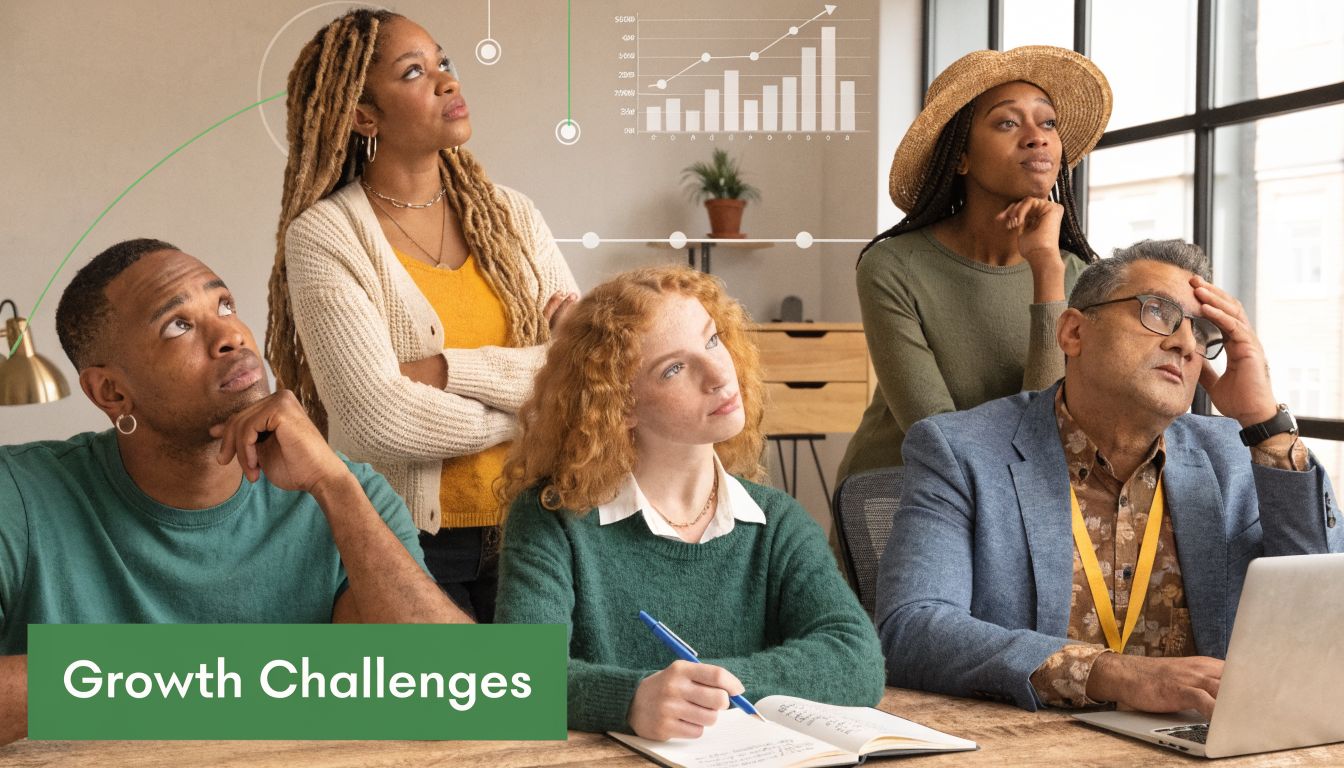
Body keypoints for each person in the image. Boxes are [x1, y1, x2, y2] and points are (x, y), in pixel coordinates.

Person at [0, 239, 470, 746]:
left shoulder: (346, 495)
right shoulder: (20, 495)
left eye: (224, 305)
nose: (231, 335)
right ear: (112, 393)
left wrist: (333, 484)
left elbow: (455, 690)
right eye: (177, 325)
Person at [876, 239, 1341, 718]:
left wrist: (1265, 423)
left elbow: (1325, 608)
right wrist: (1116, 675)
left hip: (1202, 739)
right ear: (1074, 333)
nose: (1186, 344)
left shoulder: (1236, 456)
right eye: (1157, 312)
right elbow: (911, 628)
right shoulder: (961, 452)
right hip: (1035, 740)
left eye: (1202, 332)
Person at [266, 9, 579, 622]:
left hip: (542, 528)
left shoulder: (512, 217)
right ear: (364, 115)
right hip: (412, 544)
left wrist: (442, 370)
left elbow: (585, 367)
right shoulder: (327, 236)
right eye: (414, 72)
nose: (447, 81)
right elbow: (376, 420)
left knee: (550, 687)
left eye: (444, 62)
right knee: (455, 689)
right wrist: (533, 412)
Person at [494, 266, 885, 740]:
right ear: (620, 406)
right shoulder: (551, 519)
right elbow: (520, 678)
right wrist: (631, 699)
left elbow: (857, 659)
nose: (720, 375)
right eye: (674, 368)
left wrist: (703, 691)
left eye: (713, 340)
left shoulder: (779, 523)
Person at [837, 46, 1113, 482]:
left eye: (1048, 122)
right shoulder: (893, 267)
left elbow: (1052, 436)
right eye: (1007, 122)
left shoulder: (1073, 275)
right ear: (960, 157)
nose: (1037, 136)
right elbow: (939, 440)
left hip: (1017, 500)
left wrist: (1046, 270)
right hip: (901, 497)